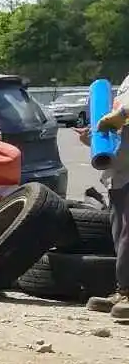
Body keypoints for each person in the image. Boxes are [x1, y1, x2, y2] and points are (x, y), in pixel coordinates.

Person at [77, 74, 129, 321]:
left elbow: (122, 116)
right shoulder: (125, 83)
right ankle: (123, 290)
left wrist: (123, 114)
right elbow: (116, 127)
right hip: (118, 174)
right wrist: (94, 140)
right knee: (120, 234)